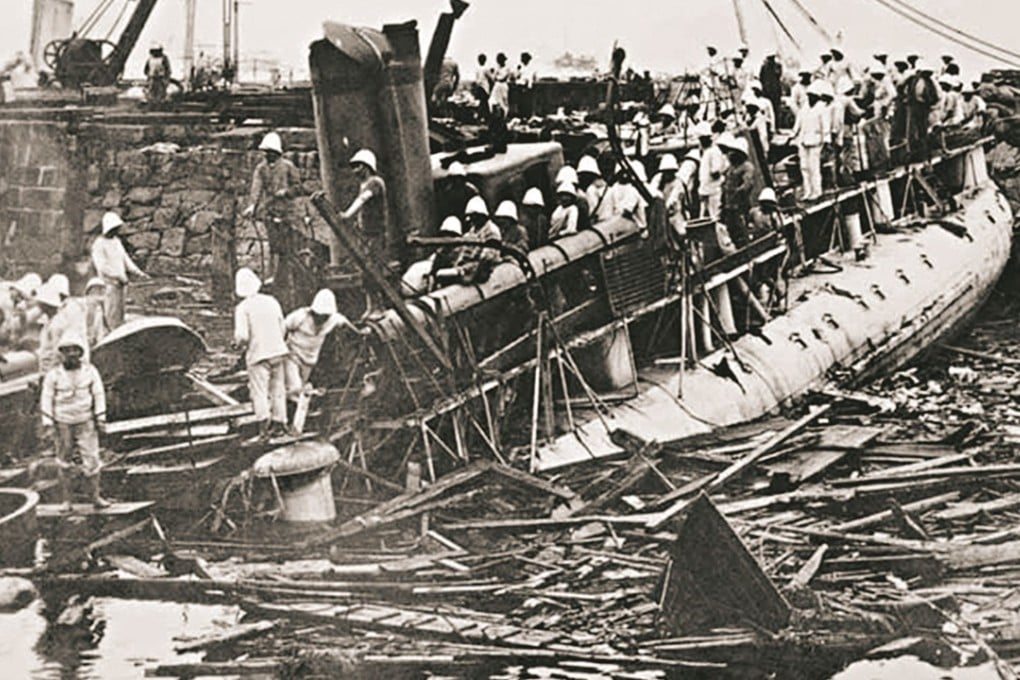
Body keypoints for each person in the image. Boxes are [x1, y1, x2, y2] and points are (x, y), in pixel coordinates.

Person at [40, 331, 108, 510]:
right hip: (63, 422)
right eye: (67, 351)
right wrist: (47, 423)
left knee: (92, 459)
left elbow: (98, 394)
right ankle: (67, 500)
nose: (71, 354)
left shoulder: (90, 371)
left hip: (85, 420)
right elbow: (46, 398)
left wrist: (101, 417)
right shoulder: (53, 375)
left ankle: (96, 498)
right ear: (61, 354)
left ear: (80, 352)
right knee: (64, 460)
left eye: (74, 350)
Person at [233, 267, 289, 442]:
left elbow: (242, 336)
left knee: (259, 392)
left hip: (258, 354)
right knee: (278, 389)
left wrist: (238, 344)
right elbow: (283, 326)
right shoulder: (272, 301)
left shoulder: (243, 308)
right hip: (278, 352)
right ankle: (280, 425)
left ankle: (264, 430)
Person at [243, 132, 303, 276]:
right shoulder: (261, 168)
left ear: (276, 152)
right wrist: (252, 205)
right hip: (270, 210)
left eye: (269, 152)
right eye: (265, 152)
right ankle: (274, 276)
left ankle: (291, 274)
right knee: (274, 246)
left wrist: (286, 192)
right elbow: (256, 187)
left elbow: (298, 187)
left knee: (289, 246)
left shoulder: (288, 166)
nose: (266, 155)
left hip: (288, 212)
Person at [283, 289, 354, 407]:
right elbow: (283, 327)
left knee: (301, 390)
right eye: (319, 315)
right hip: (293, 356)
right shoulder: (300, 316)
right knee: (295, 388)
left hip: (309, 361)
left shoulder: (333, 319)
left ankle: (297, 415)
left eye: (325, 316)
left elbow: (346, 323)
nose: (321, 319)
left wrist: (361, 332)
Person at [91, 211, 147, 330]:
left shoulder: (116, 241)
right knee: (110, 312)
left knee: (120, 312)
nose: (116, 231)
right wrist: (118, 276)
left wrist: (138, 272)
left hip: (121, 285)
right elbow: (102, 266)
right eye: (114, 228)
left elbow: (125, 259)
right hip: (108, 285)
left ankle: (118, 332)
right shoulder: (99, 244)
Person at [341, 149, 390, 258]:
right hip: (366, 231)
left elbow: (363, 199)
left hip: (375, 232)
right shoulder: (363, 184)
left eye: (357, 166)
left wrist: (347, 214)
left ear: (366, 166)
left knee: (374, 261)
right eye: (353, 167)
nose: (355, 170)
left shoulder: (375, 182)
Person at [792, 81, 830, 201]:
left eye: (813, 96)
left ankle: (817, 191)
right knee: (804, 167)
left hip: (816, 141)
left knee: (814, 167)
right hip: (803, 140)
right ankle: (807, 191)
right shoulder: (804, 108)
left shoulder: (822, 109)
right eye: (809, 96)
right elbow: (798, 123)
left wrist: (826, 141)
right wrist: (793, 135)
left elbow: (826, 127)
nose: (811, 98)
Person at [719, 135, 755, 248]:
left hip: (740, 204)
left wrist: (737, 192)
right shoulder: (731, 167)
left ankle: (746, 246)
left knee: (742, 228)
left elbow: (747, 184)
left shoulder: (746, 167)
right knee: (731, 229)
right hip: (729, 205)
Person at [697, 122, 727, 220]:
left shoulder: (714, 151)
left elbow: (716, 172)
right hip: (706, 191)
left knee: (715, 217)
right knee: (703, 218)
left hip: (713, 191)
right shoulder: (706, 152)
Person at [0, 272, 40, 346]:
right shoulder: (5, 298)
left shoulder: (14, 301)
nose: (20, 300)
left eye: (22, 298)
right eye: (20, 296)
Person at [82, 277, 109, 348]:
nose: (99, 291)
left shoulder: (100, 307)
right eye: (96, 289)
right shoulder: (87, 305)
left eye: (101, 289)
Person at [759, 52, 783, 122]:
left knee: (776, 109)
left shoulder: (778, 66)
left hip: (775, 91)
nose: (770, 60)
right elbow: (761, 78)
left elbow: (779, 75)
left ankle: (776, 125)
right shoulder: (764, 67)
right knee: (767, 109)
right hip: (766, 91)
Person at [489, 53, 512, 118]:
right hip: (497, 85)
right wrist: (495, 74)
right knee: (492, 100)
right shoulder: (497, 68)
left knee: (504, 101)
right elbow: (493, 77)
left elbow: (503, 77)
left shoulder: (507, 68)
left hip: (503, 85)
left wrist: (497, 76)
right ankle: (495, 115)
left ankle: (504, 116)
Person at [515, 52, 536, 118]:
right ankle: (521, 116)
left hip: (526, 86)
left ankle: (526, 116)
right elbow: (516, 76)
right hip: (520, 86)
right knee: (520, 103)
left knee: (527, 103)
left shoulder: (530, 68)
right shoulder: (520, 67)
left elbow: (530, 78)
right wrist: (518, 70)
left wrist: (528, 87)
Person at [472, 54, 492, 119]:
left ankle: (482, 115)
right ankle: (484, 115)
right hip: (484, 87)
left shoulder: (477, 69)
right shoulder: (486, 69)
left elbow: (476, 79)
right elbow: (490, 78)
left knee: (482, 102)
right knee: (484, 102)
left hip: (479, 86)